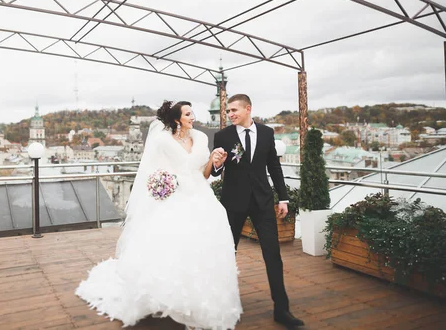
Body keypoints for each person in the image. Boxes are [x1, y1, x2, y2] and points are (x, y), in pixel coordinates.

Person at [76, 100, 242, 329]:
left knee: (202, 242)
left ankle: (197, 297)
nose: (193, 117)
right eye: (188, 114)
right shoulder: (162, 141)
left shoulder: (201, 139)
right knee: (172, 244)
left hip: (200, 195)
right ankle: (167, 297)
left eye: (193, 113)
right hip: (176, 197)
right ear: (177, 119)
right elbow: (152, 172)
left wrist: (214, 161)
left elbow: (203, 174)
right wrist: (164, 182)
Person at [211, 94, 304, 328]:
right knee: (226, 254)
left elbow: (274, 166)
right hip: (233, 202)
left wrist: (283, 197)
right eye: (227, 111)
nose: (230, 114)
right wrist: (218, 163)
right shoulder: (223, 136)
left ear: (248, 109)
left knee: (273, 255)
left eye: (234, 110)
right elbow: (214, 171)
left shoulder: (266, 133)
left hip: (263, 202)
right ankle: (222, 305)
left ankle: (281, 310)